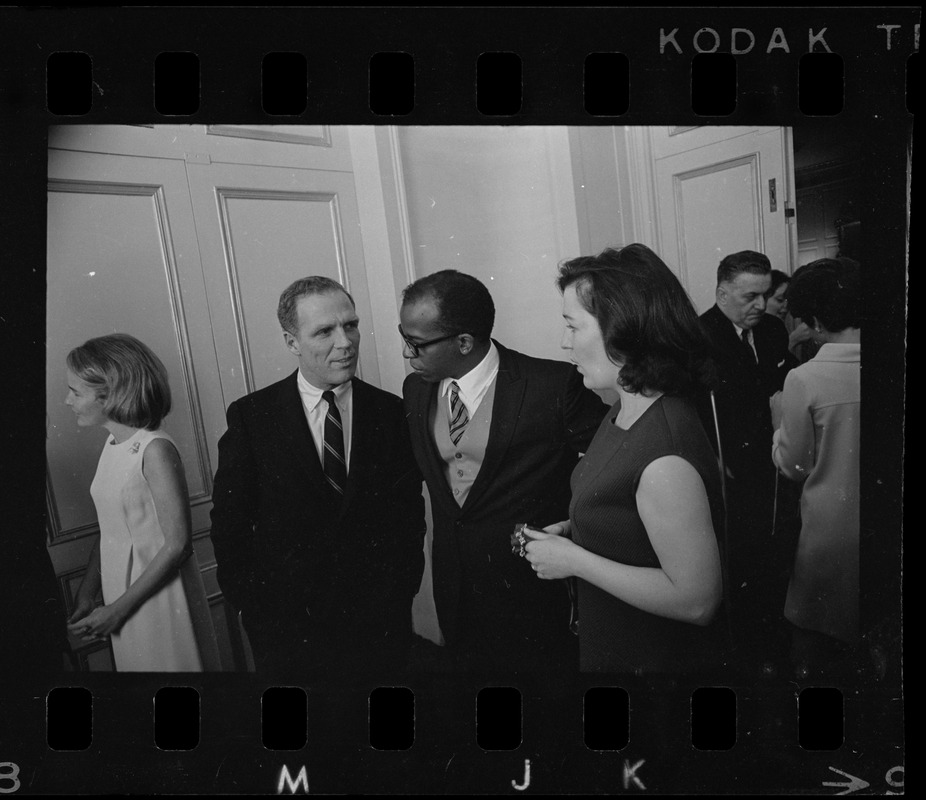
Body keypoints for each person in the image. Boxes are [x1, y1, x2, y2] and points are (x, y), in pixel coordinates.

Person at [520, 244, 725, 674]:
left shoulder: (665, 458)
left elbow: (696, 600)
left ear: (624, 332)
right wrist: (580, 530)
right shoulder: (624, 407)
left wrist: (574, 560)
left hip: (652, 661)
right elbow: (632, 516)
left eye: (572, 327)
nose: (564, 342)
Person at [210, 277, 426, 676]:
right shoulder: (253, 417)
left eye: (351, 325)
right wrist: (254, 609)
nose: (346, 342)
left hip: (378, 626)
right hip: (287, 631)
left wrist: (399, 595)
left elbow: (408, 518)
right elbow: (229, 525)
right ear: (292, 342)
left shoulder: (390, 412)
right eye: (325, 331)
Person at [400, 269, 607, 673]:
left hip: (531, 590)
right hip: (455, 586)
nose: (408, 355)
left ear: (464, 342)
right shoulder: (416, 389)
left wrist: (571, 526)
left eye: (417, 344)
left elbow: (615, 465)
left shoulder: (553, 384)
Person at [64, 334, 219, 671]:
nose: (67, 400)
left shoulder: (156, 449)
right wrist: (88, 593)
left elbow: (178, 545)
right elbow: (112, 528)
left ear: (110, 394)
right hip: (123, 591)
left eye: (76, 392)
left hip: (158, 593)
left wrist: (117, 609)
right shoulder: (113, 443)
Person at [698, 250, 797, 666]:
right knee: (739, 557)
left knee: (776, 552)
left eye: (765, 294)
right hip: (727, 466)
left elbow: (786, 380)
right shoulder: (697, 337)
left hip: (775, 459)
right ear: (723, 293)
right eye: (749, 296)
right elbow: (690, 408)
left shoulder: (773, 329)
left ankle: (773, 631)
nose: (760, 305)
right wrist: (709, 457)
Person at [772, 258, 860, 678]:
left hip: (830, 535)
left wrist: (777, 428)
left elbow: (793, 466)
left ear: (816, 320)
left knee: (817, 645)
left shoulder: (805, 379)